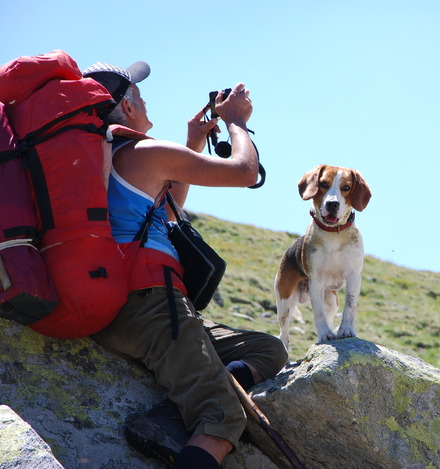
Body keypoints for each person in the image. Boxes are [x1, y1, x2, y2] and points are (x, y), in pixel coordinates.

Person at [82, 60, 288, 468]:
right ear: (125, 108)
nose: (143, 99)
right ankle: (200, 407)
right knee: (223, 417)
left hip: (119, 304)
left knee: (268, 350)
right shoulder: (145, 152)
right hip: (153, 306)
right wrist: (235, 122)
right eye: (136, 94)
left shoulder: (100, 157)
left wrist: (193, 144)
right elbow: (246, 172)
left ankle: (189, 395)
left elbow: (167, 212)